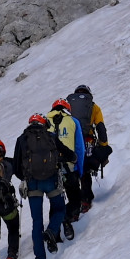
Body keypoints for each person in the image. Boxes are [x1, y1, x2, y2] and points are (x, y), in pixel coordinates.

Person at [12, 113, 66, 259]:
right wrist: (73, 157)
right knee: (60, 209)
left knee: (37, 220)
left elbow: (16, 167)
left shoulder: (22, 139)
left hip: (33, 184)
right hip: (51, 180)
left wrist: (25, 178)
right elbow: (64, 152)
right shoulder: (50, 136)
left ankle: (40, 258)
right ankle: (52, 231)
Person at [65, 84, 111, 213]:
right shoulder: (94, 107)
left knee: (72, 172)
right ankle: (85, 200)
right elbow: (100, 127)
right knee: (85, 171)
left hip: (70, 143)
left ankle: (74, 203)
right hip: (87, 142)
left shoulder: (67, 108)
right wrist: (104, 147)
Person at [47, 98, 85, 240]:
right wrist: (79, 169)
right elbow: (79, 148)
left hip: (50, 170)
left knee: (54, 202)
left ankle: (54, 236)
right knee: (75, 200)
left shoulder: (45, 122)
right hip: (69, 167)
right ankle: (66, 218)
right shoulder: (73, 121)